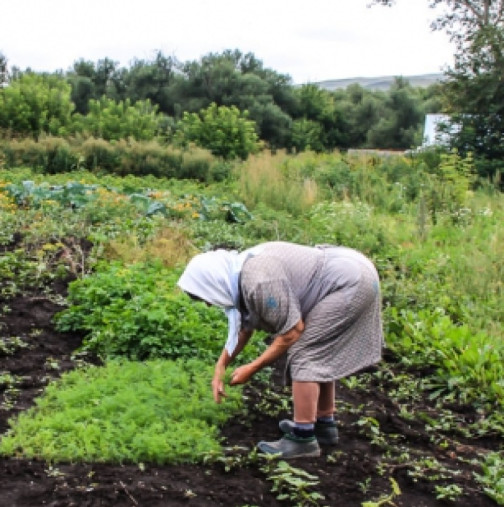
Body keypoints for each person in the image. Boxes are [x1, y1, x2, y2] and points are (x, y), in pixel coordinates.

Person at [177, 241, 383, 458]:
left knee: (305, 353)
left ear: (211, 281)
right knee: (318, 350)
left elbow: (291, 332)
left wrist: (252, 368)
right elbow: (243, 328)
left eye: (204, 298)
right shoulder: (239, 272)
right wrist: (221, 367)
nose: (209, 304)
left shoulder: (258, 281)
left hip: (349, 282)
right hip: (353, 272)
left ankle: (303, 439)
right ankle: (324, 425)